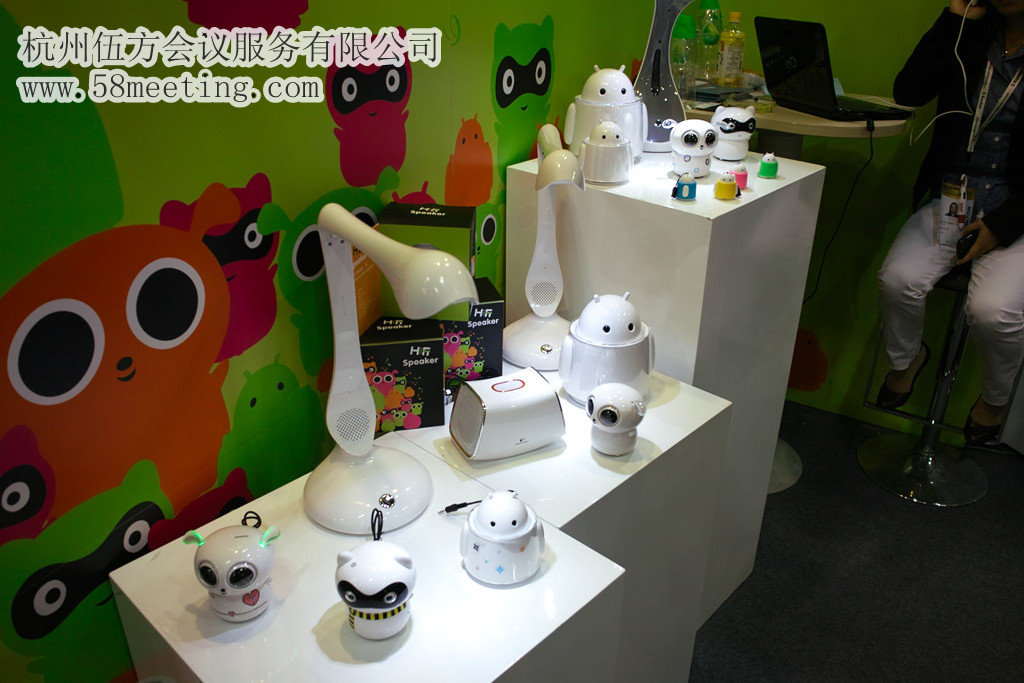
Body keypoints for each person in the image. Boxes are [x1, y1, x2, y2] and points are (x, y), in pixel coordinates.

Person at [877, 0, 1024, 445]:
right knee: (897, 280)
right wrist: (956, 16)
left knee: (993, 312)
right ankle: (907, 360)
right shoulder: (970, 35)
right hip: (952, 196)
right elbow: (908, 90)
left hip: (1015, 209)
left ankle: (996, 398)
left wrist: (1002, 225)